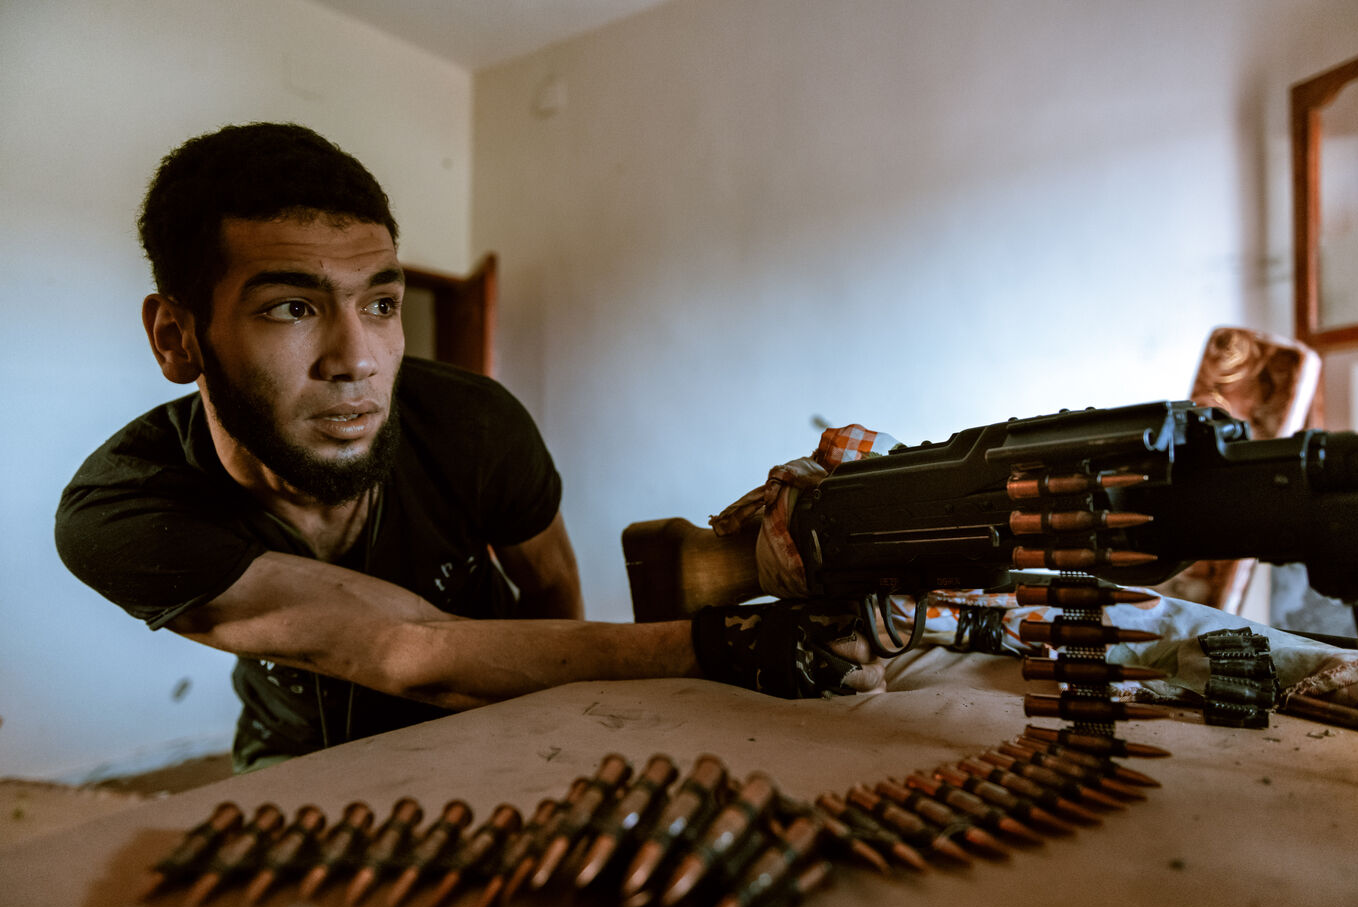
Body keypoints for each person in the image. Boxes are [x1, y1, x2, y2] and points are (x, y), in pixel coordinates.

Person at [55, 123, 882, 773]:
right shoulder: (123, 509)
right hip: (295, 755)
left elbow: (551, 585)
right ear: (176, 338)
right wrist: (723, 644)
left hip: (493, 717)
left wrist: (561, 729)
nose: (358, 361)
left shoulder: (476, 423)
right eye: (291, 309)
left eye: (380, 304)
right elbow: (406, 647)